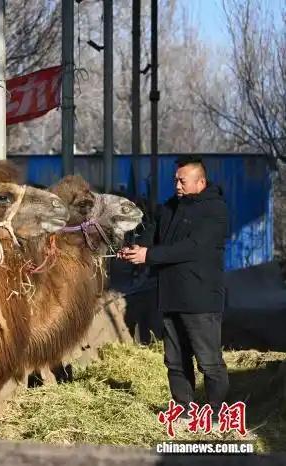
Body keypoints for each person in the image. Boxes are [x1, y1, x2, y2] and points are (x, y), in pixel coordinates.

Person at [118, 155, 229, 422]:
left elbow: (191, 248)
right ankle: (184, 411)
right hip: (171, 296)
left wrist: (149, 255)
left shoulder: (215, 210)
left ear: (201, 182)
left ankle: (216, 415)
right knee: (175, 361)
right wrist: (136, 249)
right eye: (175, 180)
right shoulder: (169, 207)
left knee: (208, 362)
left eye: (182, 180)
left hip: (201, 299)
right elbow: (152, 233)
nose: (177, 185)